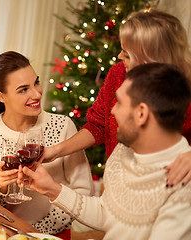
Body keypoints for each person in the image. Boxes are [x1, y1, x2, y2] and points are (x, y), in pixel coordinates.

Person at [20, 63, 191, 240]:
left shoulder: (183, 183)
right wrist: (51, 189)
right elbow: (108, 212)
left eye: (120, 103)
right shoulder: (122, 150)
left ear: (141, 114)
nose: (113, 111)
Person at [43, 9, 191, 187]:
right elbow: (98, 124)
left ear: (150, 60)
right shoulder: (119, 73)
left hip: (166, 188)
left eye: (127, 54)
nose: (119, 57)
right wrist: (55, 151)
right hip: (118, 184)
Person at [0, 51, 94, 234]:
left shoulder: (62, 125)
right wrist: (0, 187)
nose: (36, 94)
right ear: (0, 96)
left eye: (36, 82)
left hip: (53, 234)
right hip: (4, 234)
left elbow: (83, 190)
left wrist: (35, 232)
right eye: (23, 89)